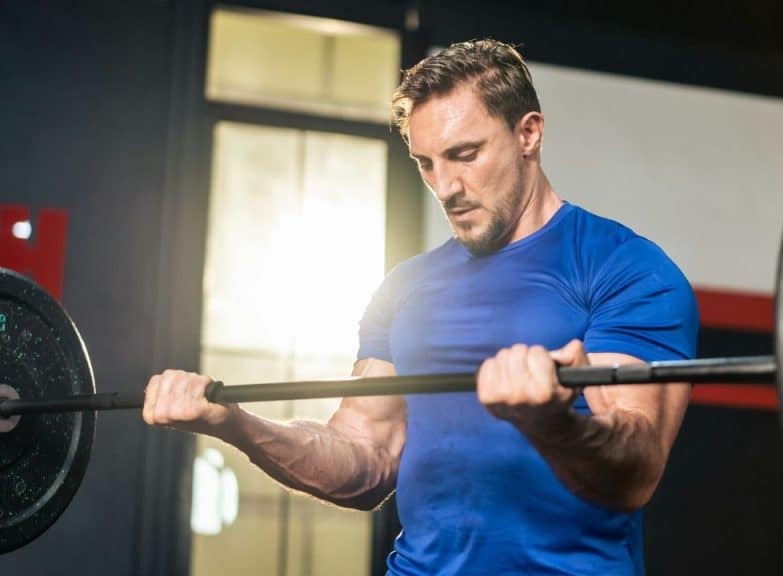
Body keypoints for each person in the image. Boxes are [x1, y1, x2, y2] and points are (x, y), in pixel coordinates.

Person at [143, 39, 697, 575]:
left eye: (465, 154)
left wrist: (548, 422)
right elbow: (366, 455)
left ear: (528, 133)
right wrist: (234, 424)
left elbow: (635, 471)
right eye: (425, 163)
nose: (445, 186)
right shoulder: (404, 288)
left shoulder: (626, 270)